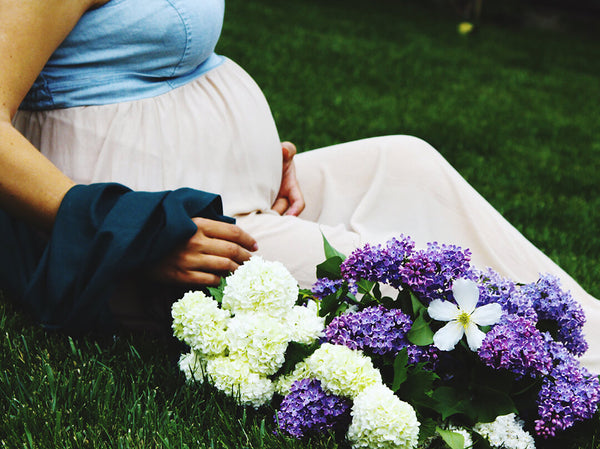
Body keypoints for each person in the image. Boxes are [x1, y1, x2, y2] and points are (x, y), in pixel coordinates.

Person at [1, 0, 599, 372]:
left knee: (406, 164)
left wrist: (249, 146)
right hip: (170, 235)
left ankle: (589, 338)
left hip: (242, 193)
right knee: (400, 291)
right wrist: (136, 236)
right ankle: (563, 378)